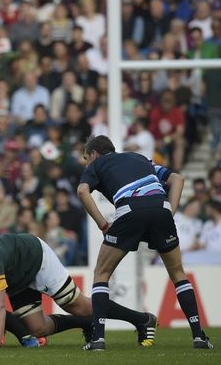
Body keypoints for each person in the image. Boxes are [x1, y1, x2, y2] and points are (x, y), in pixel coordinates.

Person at [76, 135, 212, 350]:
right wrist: (169, 212)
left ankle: (98, 340)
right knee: (178, 273)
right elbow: (177, 179)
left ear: (94, 153)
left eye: (86, 157)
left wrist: (103, 225)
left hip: (130, 210)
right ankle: (199, 337)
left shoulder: (98, 163)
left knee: (101, 274)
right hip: (161, 210)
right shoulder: (140, 158)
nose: (86, 162)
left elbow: (82, 191)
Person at [0, 232, 156, 350]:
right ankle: (86, 324)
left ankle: (142, 319)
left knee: (79, 306)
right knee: (38, 329)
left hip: (35, 257)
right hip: (17, 274)